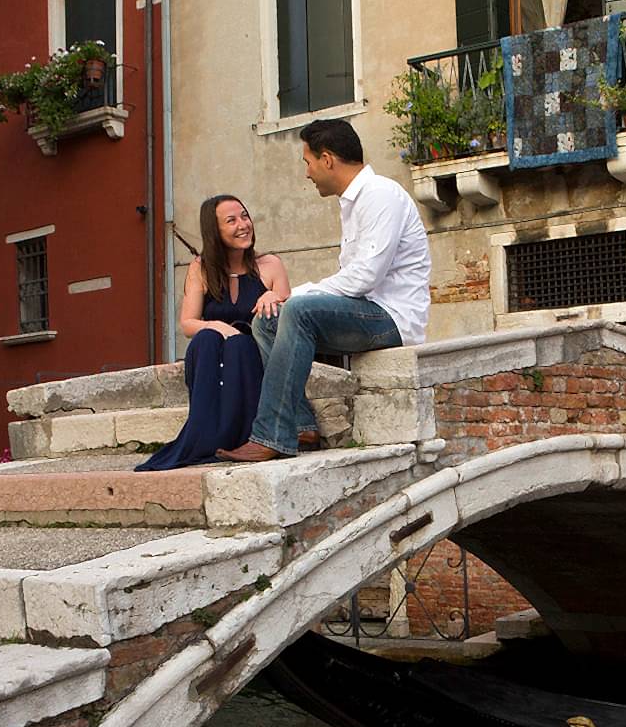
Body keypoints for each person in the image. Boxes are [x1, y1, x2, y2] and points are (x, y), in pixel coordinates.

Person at [216, 119, 430, 462]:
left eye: (308, 162)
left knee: (296, 309)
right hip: (365, 311)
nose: (307, 173)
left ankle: (270, 433)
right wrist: (287, 302)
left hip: (392, 318)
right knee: (268, 320)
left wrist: (293, 295)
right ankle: (301, 425)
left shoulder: (380, 195)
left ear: (327, 159)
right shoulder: (354, 202)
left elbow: (363, 278)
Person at [136, 195, 290, 471]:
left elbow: (288, 321)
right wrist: (217, 326)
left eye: (244, 216)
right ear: (214, 230)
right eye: (231, 220)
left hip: (252, 358)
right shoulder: (201, 268)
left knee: (240, 346)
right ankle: (204, 436)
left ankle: (238, 433)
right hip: (214, 351)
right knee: (206, 338)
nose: (243, 225)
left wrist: (274, 297)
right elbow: (188, 324)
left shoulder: (270, 265)